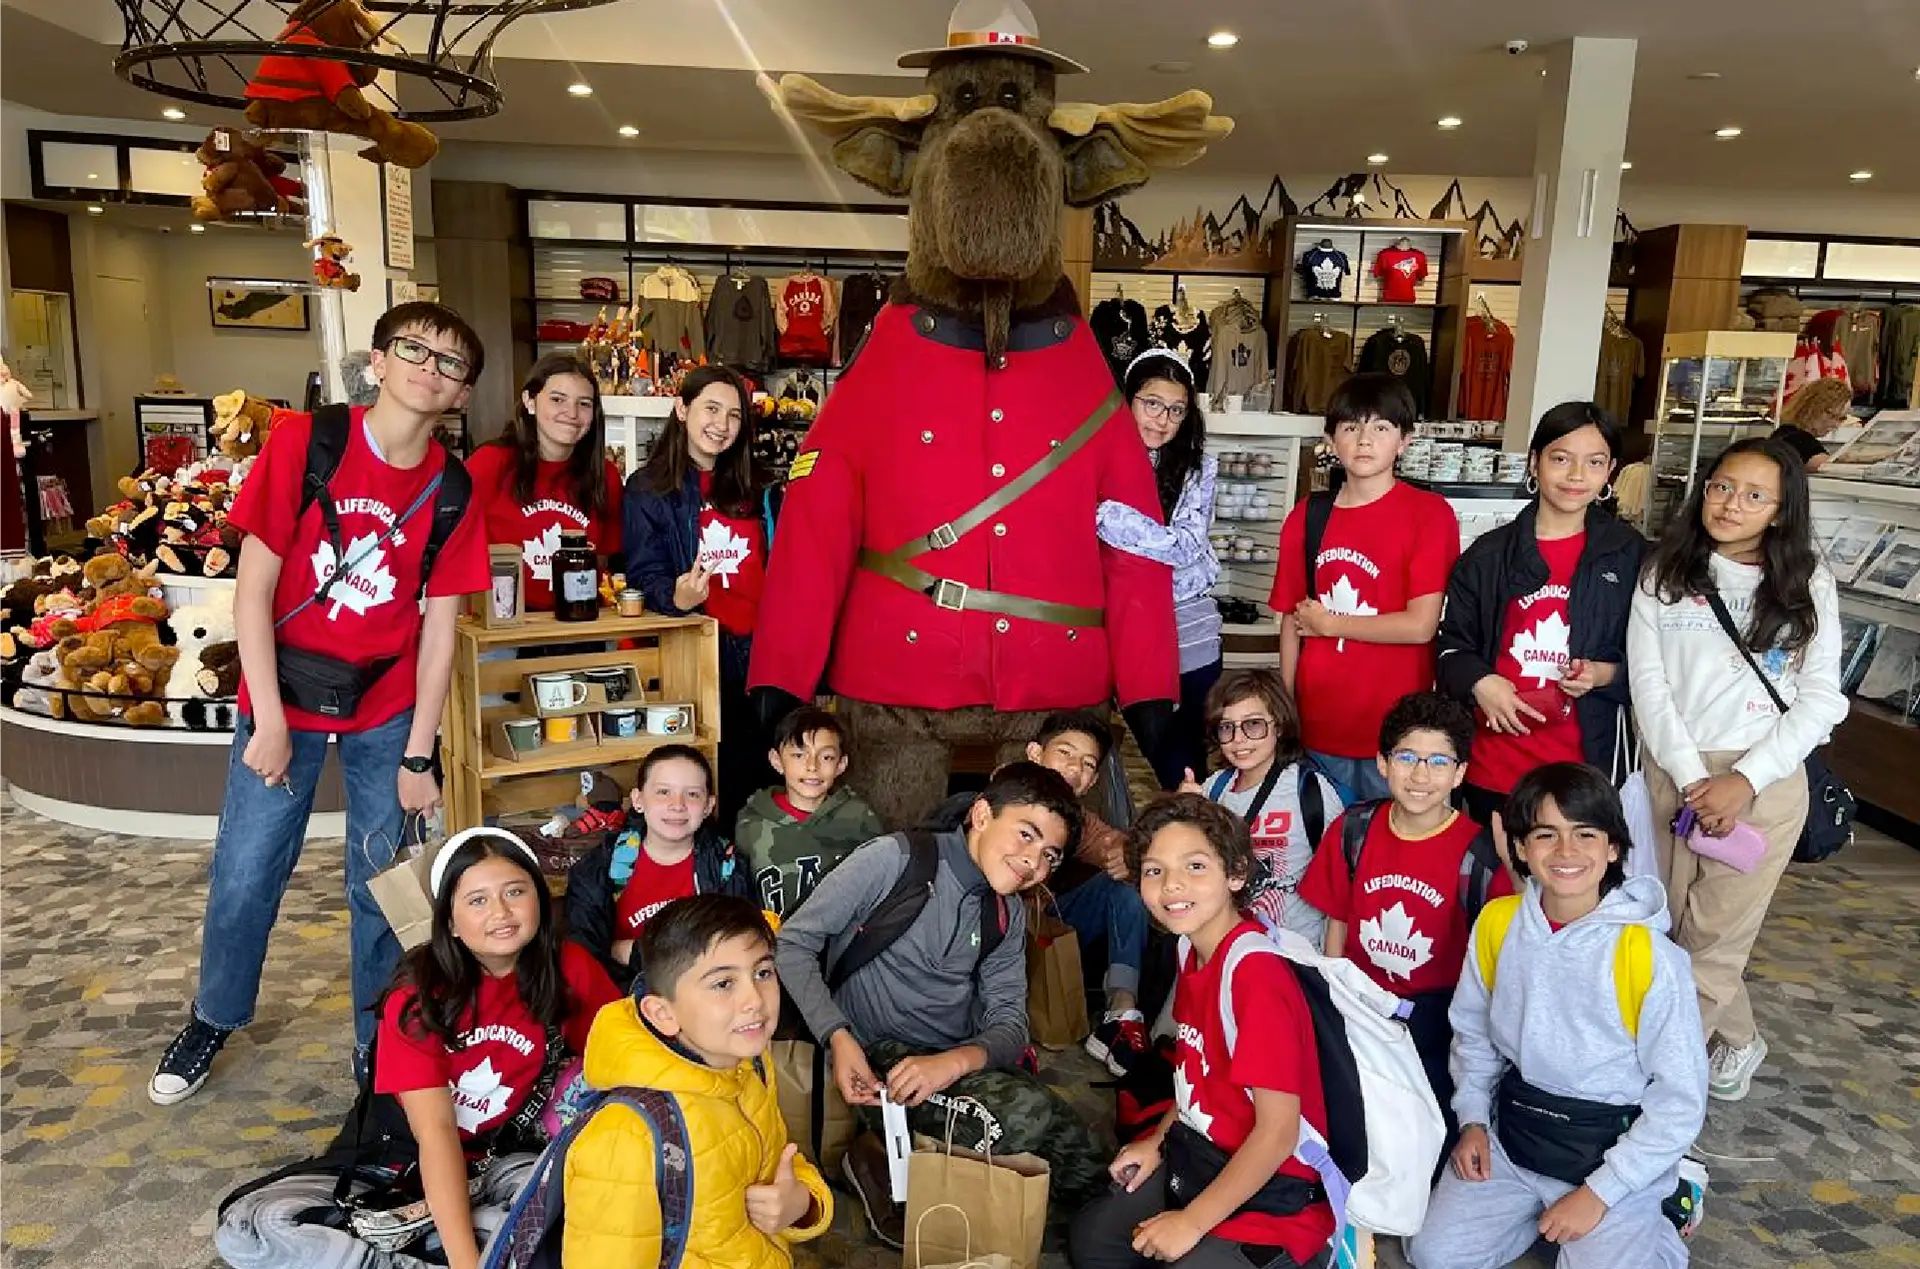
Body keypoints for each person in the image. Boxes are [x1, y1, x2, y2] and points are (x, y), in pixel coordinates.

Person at [151, 301, 490, 1106]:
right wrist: (266, 718)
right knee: (246, 873)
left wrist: (419, 753)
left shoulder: (452, 488)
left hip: (384, 702)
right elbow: (253, 589)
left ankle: (378, 1038)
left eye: (449, 362)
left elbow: (438, 634)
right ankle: (213, 1014)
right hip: (285, 694)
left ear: (461, 394)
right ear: (378, 361)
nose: (429, 368)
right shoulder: (307, 442)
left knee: (382, 883)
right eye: (414, 349)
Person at [775, 762, 1109, 1248]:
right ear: (981, 815)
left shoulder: (1006, 912)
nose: (1032, 862)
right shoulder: (895, 860)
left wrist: (953, 1063)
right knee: (1023, 1116)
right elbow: (793, 944)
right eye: (1026, 835)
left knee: (1084, 1154)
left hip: (950, 1062)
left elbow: (1010, 1022)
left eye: (1049, 855)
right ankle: (878, 1158)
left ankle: (1117, 1232)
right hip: (878, 1061)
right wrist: (837, 1037)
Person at [1407, 763, 1708, 1269]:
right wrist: (1474, 1120)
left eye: (1585, 834)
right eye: (1546, 835)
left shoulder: (1650, 957)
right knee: (1434, 1257)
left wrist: (1600, 1192)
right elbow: (1473, 1034)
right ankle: (1540, 1209)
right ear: (1522, 848)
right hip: (1517, 1137)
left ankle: (1665, 1206)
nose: (1566, 851)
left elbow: (1679, 1100)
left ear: (1613, 848)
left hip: (1608, 1147)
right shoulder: (1498, 924)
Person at [1628, 436, 1846, 1101]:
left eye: (1755, 496)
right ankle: (1741, 1037)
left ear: (1781, 511)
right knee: (1670, 927)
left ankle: (1660, 1090)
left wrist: (1743, 780)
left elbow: (1821, 698)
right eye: (1722, 487)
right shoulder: (1665, 572)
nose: (1731, 504)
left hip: (1763, 782)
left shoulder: (1807, 582)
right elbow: (1649, 684)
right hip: (1675, 771)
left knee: (1714, 938)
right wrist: (1692, 776)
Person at [1068, 795, 1334, 1269]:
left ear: (1236, 874)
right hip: (1201, 1156)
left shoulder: (1256, 975)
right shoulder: (1190, 949)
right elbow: (1196, 1076)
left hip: (1274, 1192)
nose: (1172, 885)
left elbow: (1278, 1133)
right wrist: (1156, 1142)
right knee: (1095, 1241)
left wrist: (1191, 1222)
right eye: (1154, 871)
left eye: (1195, 866)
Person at [375, 829, 622, 1269]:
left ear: (540, 899)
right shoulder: (417, 999)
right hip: (413, 1155)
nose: (501, 912)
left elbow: (626, 1054)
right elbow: (436, 1135)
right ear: (450, 921)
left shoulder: (568, 966)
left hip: (510, 1149)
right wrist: (467, 1264)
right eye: (478, 900)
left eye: (515, 892)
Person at [561, 894, 834, 1267]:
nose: (755, 999)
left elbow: (781, 1164)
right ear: (662, 1014)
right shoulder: (625, 1137)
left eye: (763, 973)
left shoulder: (746, 1067)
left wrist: (803, 1203)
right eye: (723, 983)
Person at [1298, 690, 1510, 1145]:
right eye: (1407, 757)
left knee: (1423, 1141)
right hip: (1358, 1008)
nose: (1420, 775)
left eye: (1439, 762)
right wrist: (1337, 998)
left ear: (1460, 773)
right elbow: (1337, 922)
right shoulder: (1353, 829)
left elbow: (1494, 963)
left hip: (1436, 1024)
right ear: (1382, 762)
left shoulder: (1480, 856)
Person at [1436, 402, 1646, 826]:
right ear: (1535, 463)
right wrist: (1479, 681)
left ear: (1610, 471)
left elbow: (1658, 665)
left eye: (1594, 462)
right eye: (1561, 459)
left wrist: (1603, 674)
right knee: (1495, 868)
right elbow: (1449, 646)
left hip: (1587, 769)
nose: (1576, 475)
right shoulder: (1488, 556)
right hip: (1495, 765)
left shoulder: (1631, 557)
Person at [923, 710, 1154, 1075]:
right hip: (981, 930)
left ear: (1094, 780)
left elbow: (1111, 845)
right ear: (1035, 754)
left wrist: (1129, 857)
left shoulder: (1075, 819)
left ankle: (1120, 1014)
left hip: (1039, 925)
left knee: (1123, 892)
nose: (1074, 768)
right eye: (1065, 753)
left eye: (1087, 764)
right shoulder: (1001, 800)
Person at [1271, 374, 1459, 804]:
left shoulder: (1429, 514)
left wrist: (1332, 624)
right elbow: (1291, 621)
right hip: (1320, 721)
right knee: (1323, 835)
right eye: (1351, 427)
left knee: (1396, 835)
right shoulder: (1308, 516)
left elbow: (1420, 626)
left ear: (1404, 441)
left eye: (1381, 427)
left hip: (1400, 730)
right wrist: (1286, 704)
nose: (1364, 440)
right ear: (1331, 439)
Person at [624, 365, 780, 827]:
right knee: (704, 783)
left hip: (763, 656)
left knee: (761, 786)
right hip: (701, 653)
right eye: (711, 409)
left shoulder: (759, 488)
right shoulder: (648, 490)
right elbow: (643, 573)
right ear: (681, 409)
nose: (722, 424)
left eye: (734, 415)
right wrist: (676, 596)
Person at [1097, 348, 1222, 777]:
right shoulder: (1102, 460)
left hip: (1189, 628)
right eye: (1151, 403)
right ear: (1127, 400)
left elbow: (1185, 546)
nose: (1162, 420)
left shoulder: (1197, 468)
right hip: (1128, 627)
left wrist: (1108, 518)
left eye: (1176, 410)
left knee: (1185, 761)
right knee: (1152, 750)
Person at [566, 745, 757, 990]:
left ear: (708, 806)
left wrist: (634, 952)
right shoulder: (600, 867)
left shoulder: (727, 867)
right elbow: (585, 957)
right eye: (663, 792)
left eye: (692, 794)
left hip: (703, 999)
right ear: (638, 800)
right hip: (622, 998)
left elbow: (734, 951)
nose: (677, 805)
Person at [1182, 669, 1343, 946]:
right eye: (1226, 727)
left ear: (1279, 726)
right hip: (1230, 947)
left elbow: (1339, 889)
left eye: (1253, 724)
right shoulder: (1213, 789)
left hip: (1295, 950)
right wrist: (1183, 815)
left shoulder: (1311, 791)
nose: (1238, 739)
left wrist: (1330, 964)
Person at [464, 352, 623, 611]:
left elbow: (603, 562)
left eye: (584, 403)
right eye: (557, 399)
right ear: (530, 402)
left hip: (578, 621)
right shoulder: (490, 463)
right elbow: (453, 554)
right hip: (503, 624)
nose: (571, 413)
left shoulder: (606, 476)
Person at [735, 705, 885, 919]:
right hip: (773, 936)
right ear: (777, 761)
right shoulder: (751, 822)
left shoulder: (859, 819)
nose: (812, 766)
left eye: (826, 757)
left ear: (841, 764)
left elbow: (879, 885)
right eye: (798, 755)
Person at [1771, 376, 1851, 472]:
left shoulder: (1785, 433)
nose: (1835, 424)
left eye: (1841, 419)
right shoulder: (1796, 438)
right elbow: (1826, 466)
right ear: (1811, 407)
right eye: (1830, 415)